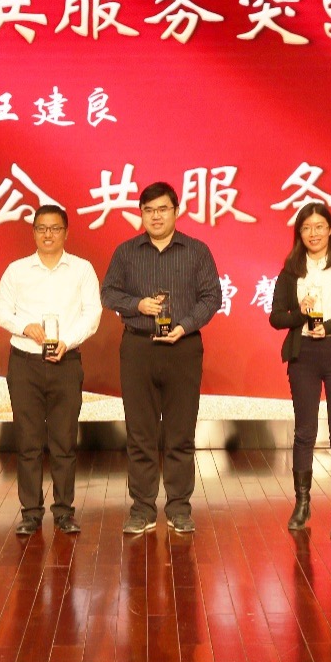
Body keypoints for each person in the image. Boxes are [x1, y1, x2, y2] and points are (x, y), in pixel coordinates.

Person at [101, 181, 222, 535]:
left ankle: (179, 507)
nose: (156, 216)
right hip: (138, 347)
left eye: (162, 209)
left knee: (180, 433)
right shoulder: (126, 252)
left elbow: (211, 297)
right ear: (141, 214)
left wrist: (185, 326)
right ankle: (142, 508)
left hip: (183, 348)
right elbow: (108, 293)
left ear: (176, 211)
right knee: (140, 433)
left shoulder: (196, 251)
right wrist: (136, 304)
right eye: (149, 210)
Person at [0, 205, 102, 536]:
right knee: (28, 442)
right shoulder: (17, 270)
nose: (48, 234)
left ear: (66, 233)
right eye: (41, 228)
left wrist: (67, 342)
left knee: (64, 441)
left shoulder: (82, 269)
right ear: (33, 232)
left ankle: (64, 511)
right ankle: (30, 512)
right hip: (25, 363)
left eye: (55, 228)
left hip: (66, 363)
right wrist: (23, 326)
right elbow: (0, 310)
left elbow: (92, 313)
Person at [268, 201, 331, 539]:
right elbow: (276, 318)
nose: (313, 233)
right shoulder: (290, 272)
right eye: (306, 228)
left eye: (319, 227)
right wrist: (300, 313)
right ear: (299, 233)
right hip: (304, 355)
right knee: (304, 432)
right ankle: (302, 503)